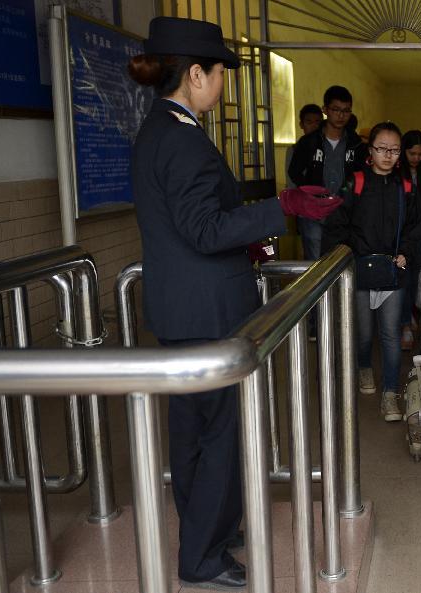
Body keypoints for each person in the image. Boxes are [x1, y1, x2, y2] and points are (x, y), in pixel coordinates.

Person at [128, 17, 341, 590]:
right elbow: (202, 228)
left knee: (194, 434)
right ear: (194, 74)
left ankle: (211, 529)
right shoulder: (181, 138)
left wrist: (249, 231)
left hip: (182, 307)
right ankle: (202, 556)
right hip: (208, 313)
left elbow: (187, 224)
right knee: (219, 437)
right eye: (219, 72)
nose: (222, 83)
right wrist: (282, 206)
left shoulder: (159, 130)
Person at [322, 122, 421, 421]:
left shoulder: (406, 188)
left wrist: (405, 251)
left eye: (394, 150)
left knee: (390, 334)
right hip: (360, 270)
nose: (388, 156)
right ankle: (364, 366)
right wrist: (347, 256)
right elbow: (336, 223)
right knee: (364, 333)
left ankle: (390, 394)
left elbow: (415, 227)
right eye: (382, 149)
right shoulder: (355, 182)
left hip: (393, 270)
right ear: (370, 151)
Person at [288, 85, 365, 261]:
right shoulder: (309, 142)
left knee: (341, 262)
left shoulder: (356, 144)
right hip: (313, 211)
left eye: (346, 111)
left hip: (345, 213)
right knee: (315, 264)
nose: (341, 115)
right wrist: (310, 192)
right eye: (336, 110)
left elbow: (361, 175)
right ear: (325, 110)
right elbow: (294, 172)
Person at [399, 129, 421, 349]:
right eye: (412, 153)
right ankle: (405, 323)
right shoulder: (397, 173)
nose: (416, 158)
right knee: (406, 281)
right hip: (404, 236)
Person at [284, 103, 323, 189]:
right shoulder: (293, 150)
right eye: (309, 122)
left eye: (317, 122)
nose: (314, 126)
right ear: (301, 125)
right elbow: (291, 182)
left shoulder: (327, 146)